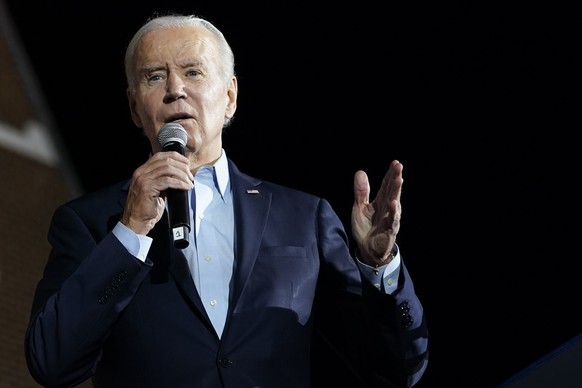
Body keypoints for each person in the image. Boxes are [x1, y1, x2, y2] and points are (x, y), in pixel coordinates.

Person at [24, 13, 429, 388]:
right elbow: (51, 363)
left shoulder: (303, 217)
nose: (175, 90)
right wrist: (130, 232)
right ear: (134, 107)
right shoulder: (90, 222)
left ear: (230, 96)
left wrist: (381, 268)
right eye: (154, 77)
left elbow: (394, 368)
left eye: (193, 72)